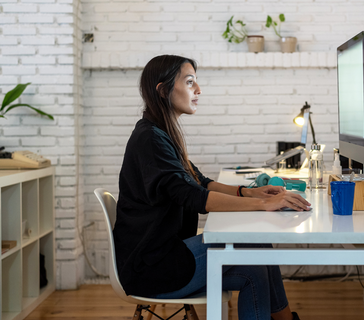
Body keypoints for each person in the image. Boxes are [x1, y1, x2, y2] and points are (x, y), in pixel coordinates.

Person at [114, 55, 311, 320]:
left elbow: (200, 181)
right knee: (253, 246)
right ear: (163, 90)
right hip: (152, 266)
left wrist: (249, 193)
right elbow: (193, 196)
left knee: (255, 265)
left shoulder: (161, 133)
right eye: (190, 82)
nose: (198, 90)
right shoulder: (150, 139)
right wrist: (264, 204)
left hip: (164, 254)